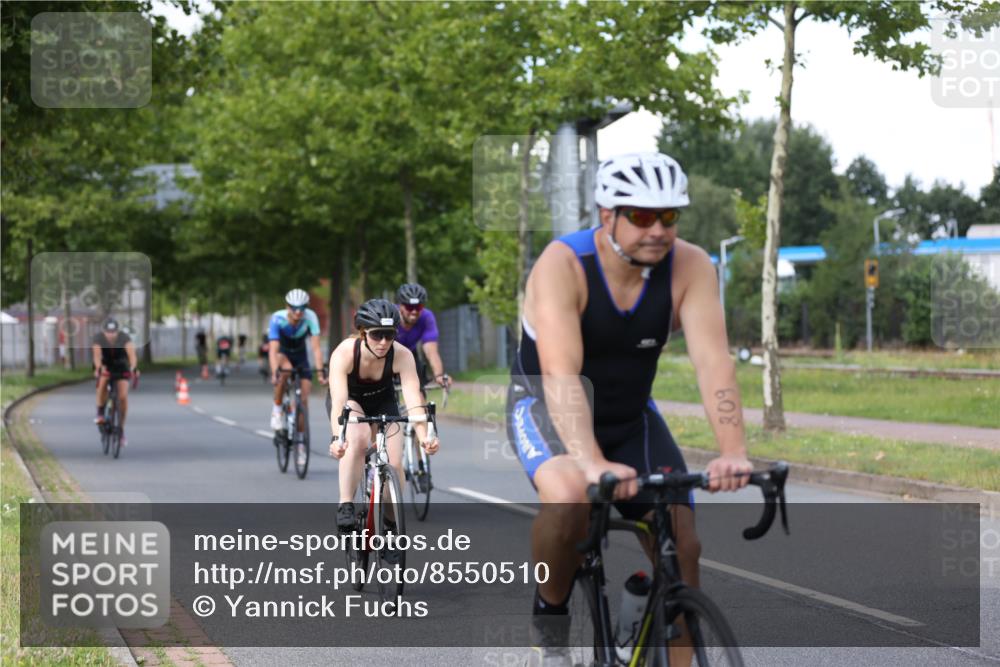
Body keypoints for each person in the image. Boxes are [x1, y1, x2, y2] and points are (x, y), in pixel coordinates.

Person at [505, 152, 753, 665]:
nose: (658, 230)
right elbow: (561, 375)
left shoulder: (691, 266)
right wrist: (592, 462)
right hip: (547, 409)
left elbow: (713, 363)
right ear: (606, 215)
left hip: (630, 418)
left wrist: (733, 450)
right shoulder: (563, 265)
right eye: (641, 216)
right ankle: (549, 615)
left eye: (669, 216)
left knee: (683, 547)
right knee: (572, 497)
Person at [327, 298, 440, 536]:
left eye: (389, 335)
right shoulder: (345, 353)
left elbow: (413, 401)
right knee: (357, 439)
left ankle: (390, 526)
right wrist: (338, 437)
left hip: (383, 401)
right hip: (351, 401)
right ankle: (346, 504)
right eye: (377, 335)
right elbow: (338, 400)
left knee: (395, 463)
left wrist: (424, 437)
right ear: (362, 333)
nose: (383, 342)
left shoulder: (402, 355)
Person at [268, 289, 327, 466]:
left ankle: (300, 442)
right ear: (287, 307)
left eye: (302, 308)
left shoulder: (310, 317)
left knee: (303, 399)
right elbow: (273, 349)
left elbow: (316, 349)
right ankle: (277, 409)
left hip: (301, 358)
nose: (298, 312)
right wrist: (273, 372)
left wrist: (320, 372)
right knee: (284, 370)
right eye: (294, 308)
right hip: (283, 355)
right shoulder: (277, 318)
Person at [395, 283, 452, 394]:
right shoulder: (391, 316)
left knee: (418, 388)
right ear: (400, 306)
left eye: (418, 307)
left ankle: (419, 410)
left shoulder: (426, 317)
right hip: (386, 354)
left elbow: (431, 352)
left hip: (410, 354)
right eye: (409, 307)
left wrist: (439, 375)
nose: (414, 311)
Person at [92, 318, 139, 447]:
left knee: (123, 396)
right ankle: (100, 411)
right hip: (105, 365)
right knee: (103, 381)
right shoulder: (98, 339)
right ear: (104, 331)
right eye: (108, 332)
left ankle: (121, 429)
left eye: (114, 332)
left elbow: (132, 355)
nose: (111, 335)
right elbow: (96, 356)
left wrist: (133, 367)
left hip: (121, 366)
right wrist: (98, 367)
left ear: (118, 332)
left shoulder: (124, 338)